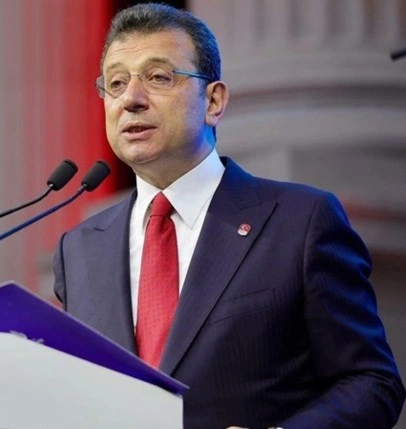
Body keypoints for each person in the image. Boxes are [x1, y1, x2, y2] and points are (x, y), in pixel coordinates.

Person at [52, 3, 405, 429]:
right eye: (116, 83)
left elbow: (371, 382)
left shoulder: (300, 223)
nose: (131, 99)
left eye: (158, 77)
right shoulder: (80, 249)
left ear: (214, 101)